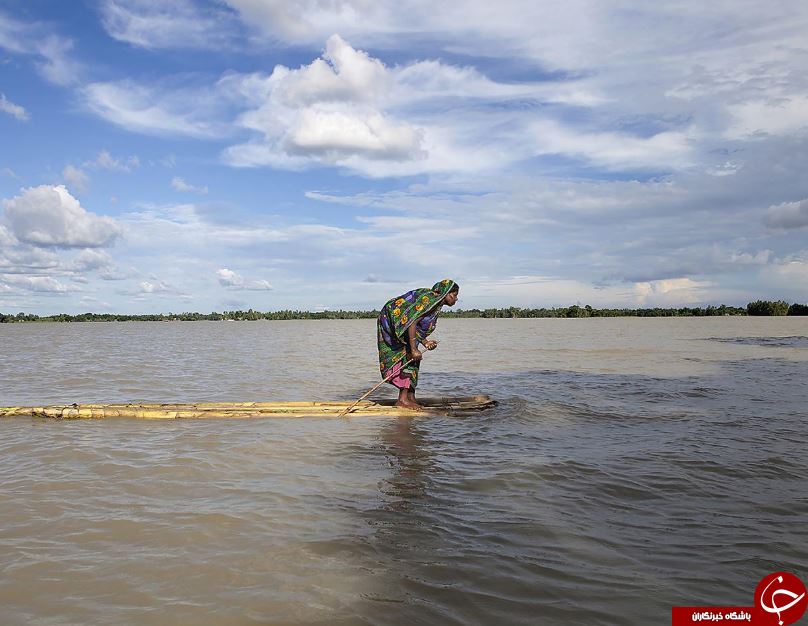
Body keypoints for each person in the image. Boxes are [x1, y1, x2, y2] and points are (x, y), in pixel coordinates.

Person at [377, 279, 460, 409]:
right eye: (454, 295)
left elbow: (418, 326)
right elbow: (412, 320)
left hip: (405, 324)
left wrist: (425, 342)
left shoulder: (436, 304)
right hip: (392, 320)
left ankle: (410, 397)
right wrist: (414, 348)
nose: (456, 299)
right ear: (446, 293)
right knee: (409, 355)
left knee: (415, 357)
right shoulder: (430, 300)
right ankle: (402, 400)